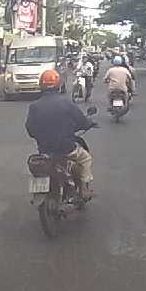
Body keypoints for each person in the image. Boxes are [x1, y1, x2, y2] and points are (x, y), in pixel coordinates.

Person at [25, 70, 96, 200]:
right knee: (86, 159)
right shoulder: (66, 103)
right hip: (66, 148)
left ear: (41, 85)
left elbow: (30, 129)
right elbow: (81, 121)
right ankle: (84, 189)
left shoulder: (34, 106)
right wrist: (89, 123)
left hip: (45, 150)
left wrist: (41, 137)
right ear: (58, 84)